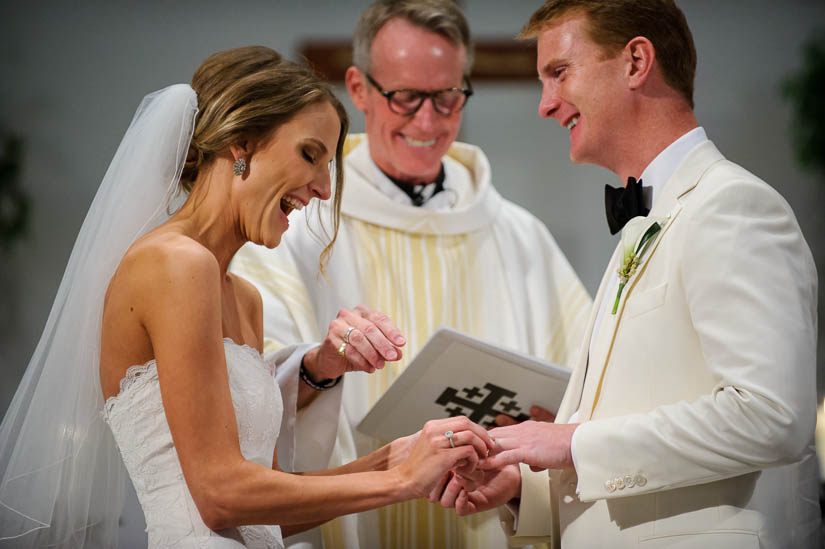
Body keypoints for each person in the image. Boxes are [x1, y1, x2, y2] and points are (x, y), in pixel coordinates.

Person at [0, 46, 496, 549]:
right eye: (310, 155)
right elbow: (218, 496)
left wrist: (392, 460)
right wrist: (398, 481)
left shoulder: (243, 298)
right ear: (241, 144)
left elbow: (269, 510)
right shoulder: (175, 263)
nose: (324, 188)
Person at [444, 1, 821, 547]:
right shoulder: (647, 221)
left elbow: (771, 416)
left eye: (559, 72)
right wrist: (527, 490)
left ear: (636, 62)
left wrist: (572, 443)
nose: (546, 105)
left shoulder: (732, 206)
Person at [229, 2, 592, 548]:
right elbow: (244, 394)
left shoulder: (518, 235)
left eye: (447, 97)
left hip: (489, 523)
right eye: (405, 97)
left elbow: (585, 388)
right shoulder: (298, 221)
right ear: (358, 87)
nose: (428, 121)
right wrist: (319, 366)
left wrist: (545, 423)